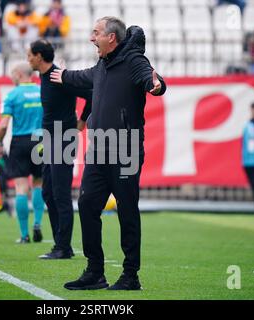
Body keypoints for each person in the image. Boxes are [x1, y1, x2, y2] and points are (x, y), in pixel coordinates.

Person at [50, 17, 166, 290]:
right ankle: (95, 272)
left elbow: (152, 79)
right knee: (88, 205)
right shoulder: (102, 64)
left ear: (111, 38)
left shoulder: (134, 61)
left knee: (127, 211)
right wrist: (64, 76)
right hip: (99, 149)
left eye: (96, 33)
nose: (92, 38)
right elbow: (84, 76)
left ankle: (130, 276)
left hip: (125, 149)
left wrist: (157, 85)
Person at [27, 39, 92, 259]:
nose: (28, 59)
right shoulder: (44, 77)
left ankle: (63, 247)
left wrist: (82, 121)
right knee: (47, 192)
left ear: (39, 56)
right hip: (49, 140)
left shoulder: (58, 76)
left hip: (63, 139)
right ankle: (60, 244)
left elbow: (90, 94)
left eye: (30, 55)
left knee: (61, 194)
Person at [0, 62, 45, 244]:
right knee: (39, 184)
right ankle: (38, 223)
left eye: (12, 74)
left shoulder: (12, 95)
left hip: (20, 141)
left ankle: (24, 235)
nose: (11, 77)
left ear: (18, 74)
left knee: (21, 188)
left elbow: (3, 124)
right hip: (40, 140)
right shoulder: (42, 92)